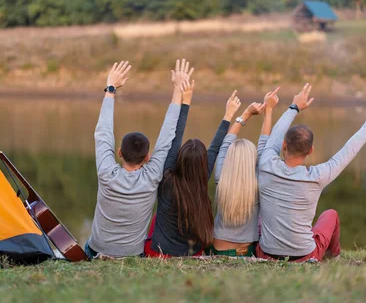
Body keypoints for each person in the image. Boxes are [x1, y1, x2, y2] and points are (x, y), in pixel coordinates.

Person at [257, 84, 366, 262]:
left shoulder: (266, 163)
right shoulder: (317, 176)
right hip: (305, 256)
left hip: (265, 254)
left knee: (259, 215)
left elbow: (274, 136)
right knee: (331, 215)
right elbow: (348, 151)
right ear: (310, 151)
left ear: (283, 146)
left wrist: (294, 107)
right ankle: (333, 259)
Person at [85, 60, 187, 259]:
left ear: (120, 152)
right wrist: (178, 89)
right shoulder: (152, 176)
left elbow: (103, 133)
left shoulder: (107, 172)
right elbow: (167, 135)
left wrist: (110, 88)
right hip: (132, 255)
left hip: (97, 250)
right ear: (147, 157)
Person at [145, 77, 243, 257]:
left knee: (156, 219)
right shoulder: (201, 178)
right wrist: (228, 115)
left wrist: (186, 101)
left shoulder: (167, 177)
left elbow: (176, 136)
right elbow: (215, 148)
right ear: (202, 164)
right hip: (193, 253)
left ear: (180, 159)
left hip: (159, 253)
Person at [207, 88, 280, 257]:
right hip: (245, 252)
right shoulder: (258, 182)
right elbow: (264, 145)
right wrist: (268, 110)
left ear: (230, 159)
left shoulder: (221, 177)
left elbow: (226, 144)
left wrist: (246, 114)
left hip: (215, 247)